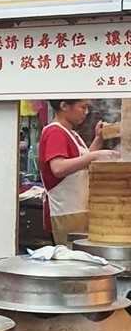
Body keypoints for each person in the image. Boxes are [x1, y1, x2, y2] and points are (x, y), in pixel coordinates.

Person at [38, 98, 115, 244]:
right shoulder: (55, 131)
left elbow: (81, 163)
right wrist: (95, 156)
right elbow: (58, 168)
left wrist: (99, 138)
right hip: (66, 212)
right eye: (83, 107)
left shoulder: (71, 134)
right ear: (64, 106)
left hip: (78, 210)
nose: (86, 112)